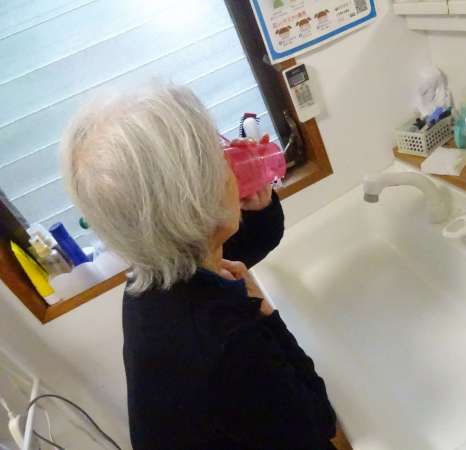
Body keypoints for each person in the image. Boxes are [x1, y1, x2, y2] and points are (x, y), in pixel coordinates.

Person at [61, 84, 337, 449]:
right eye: (218, 154)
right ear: (195, 196)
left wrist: (259, 208)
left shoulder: (152, 277)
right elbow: (319, 420)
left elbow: (249, 243)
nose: (232, 158)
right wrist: (267, 314)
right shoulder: (226, 342)